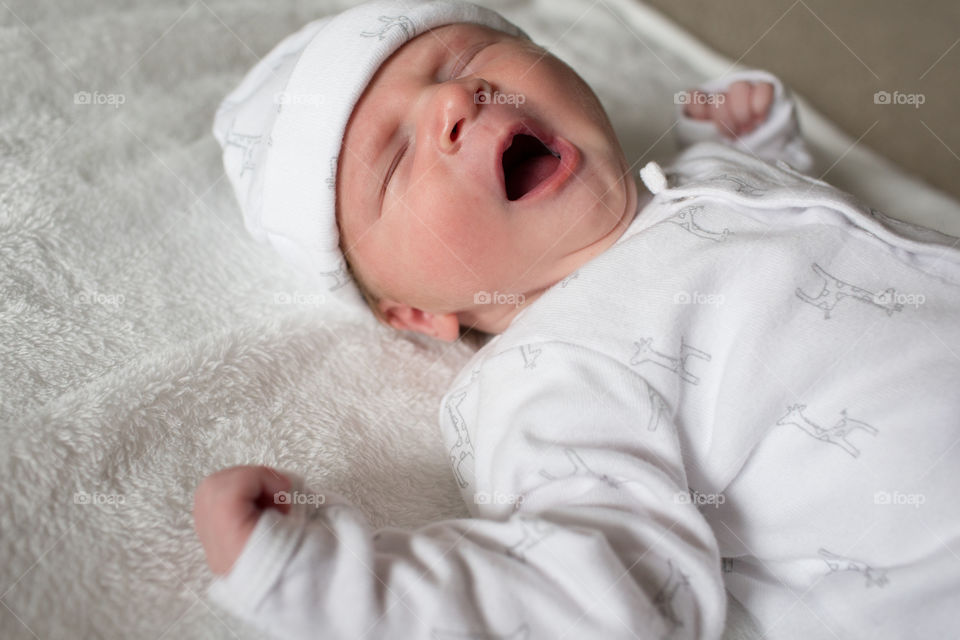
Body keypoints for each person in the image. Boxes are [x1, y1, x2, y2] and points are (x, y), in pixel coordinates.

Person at [194, 1, 960, 638]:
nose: (457, 102)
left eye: (468, 60)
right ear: (419, 312)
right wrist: (325, 584)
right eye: (394, 160)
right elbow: (582, 593)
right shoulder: (553, 370)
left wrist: (754, 148)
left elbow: (819, 264)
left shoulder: (687, 180)